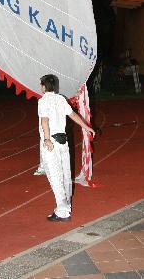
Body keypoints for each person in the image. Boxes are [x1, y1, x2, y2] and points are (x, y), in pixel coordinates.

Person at [38, 74, 95, 222]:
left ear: (44, 86)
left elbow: (45, 120)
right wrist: (86, 127)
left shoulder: (43, 101)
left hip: (51, 142)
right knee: (65, 174)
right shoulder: (61, 99)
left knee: (55, 177)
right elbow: (73, 115)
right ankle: (64, 207)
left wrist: (46, 139)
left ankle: (63, 211)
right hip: (63, 142)